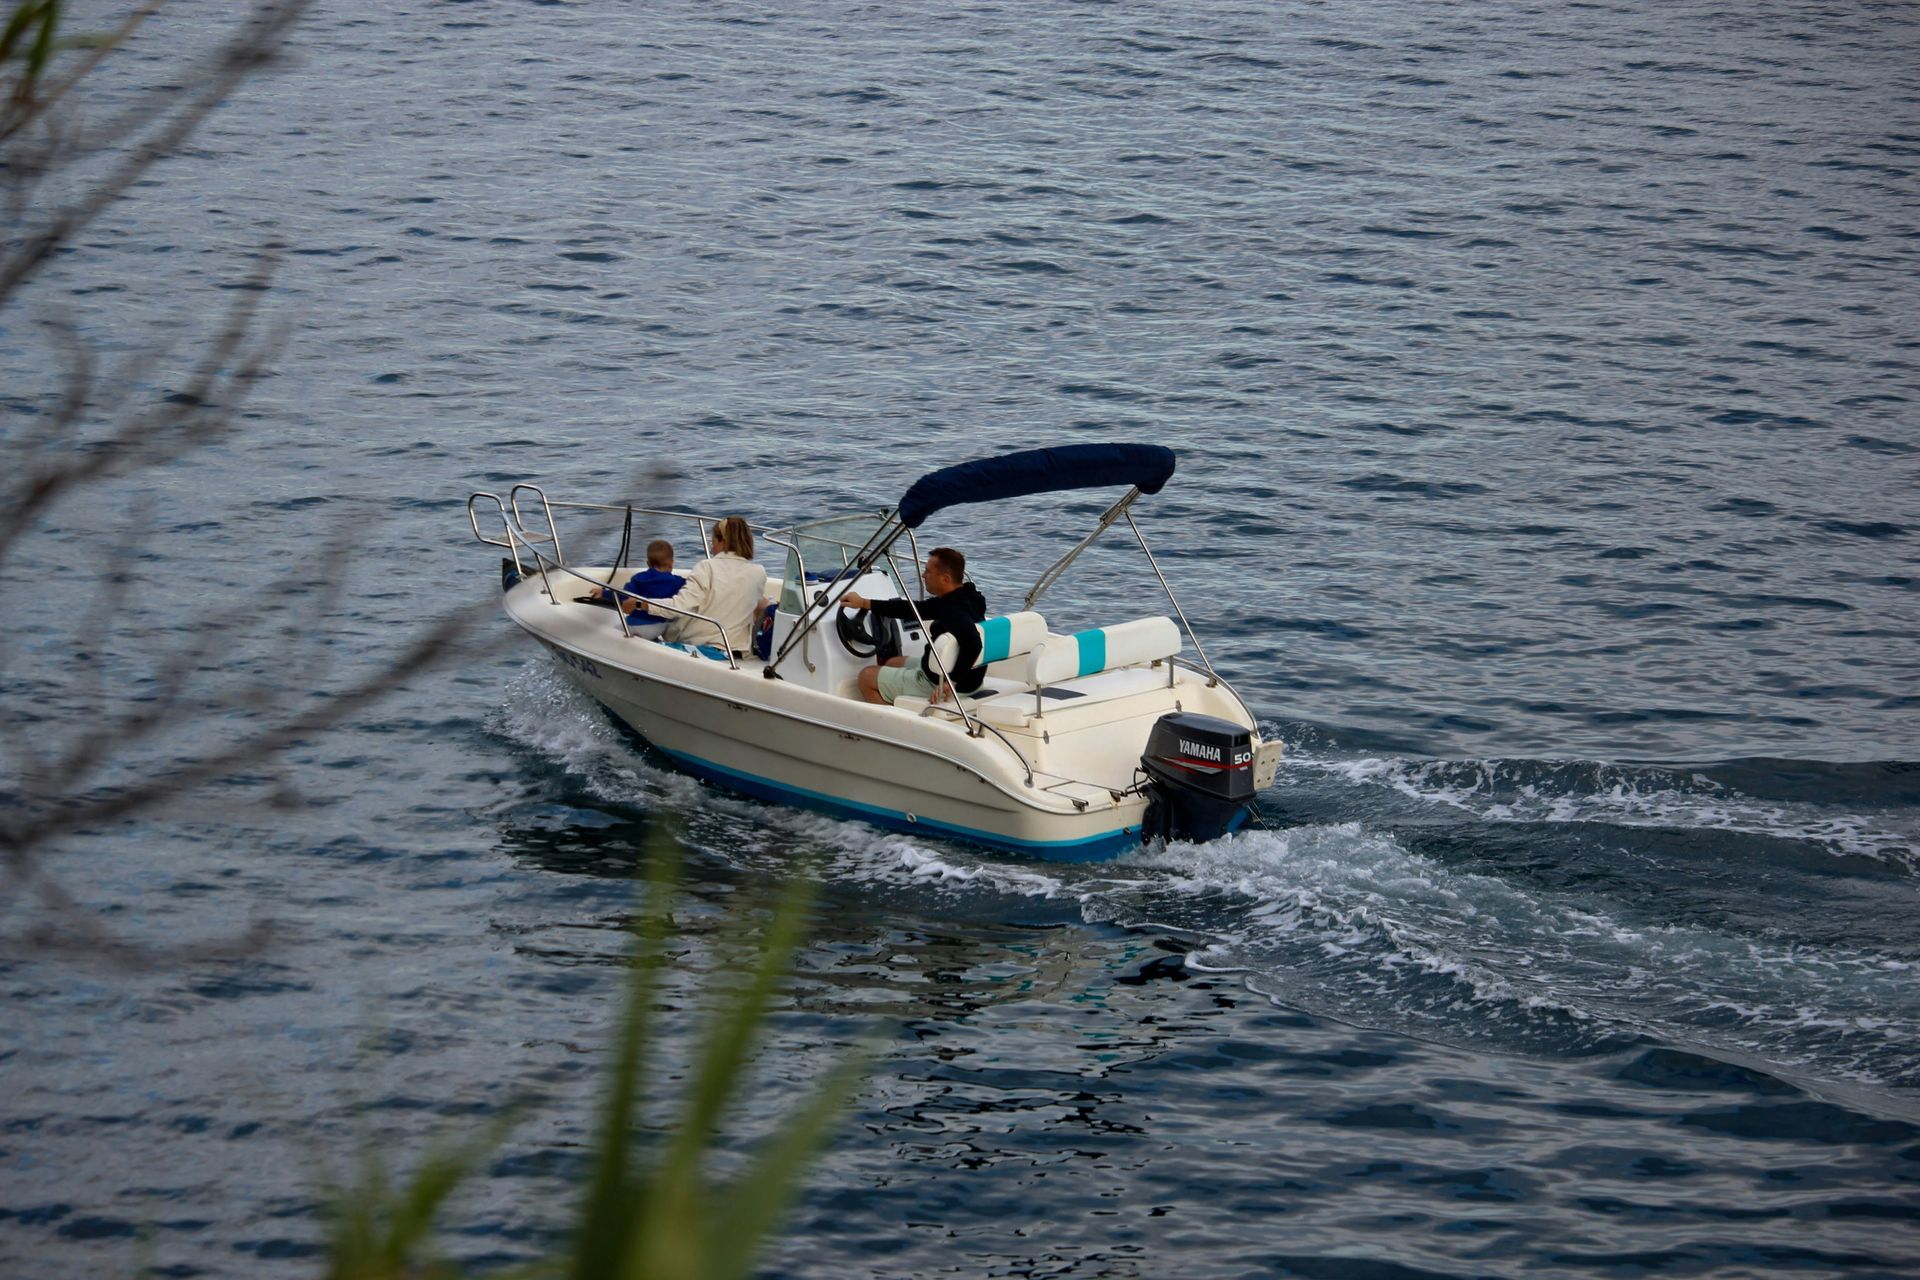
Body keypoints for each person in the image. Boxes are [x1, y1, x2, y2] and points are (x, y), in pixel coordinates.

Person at [841, 547, 986, 705]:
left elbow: (974, 644)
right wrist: (864, 603)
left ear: (945, 579)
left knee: (866, 677)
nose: (923, 575)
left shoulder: (953, 610)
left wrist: (951, 681)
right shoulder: (968, 597)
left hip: (945, 682)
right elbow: (914, 609)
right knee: (892, 662)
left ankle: (894, 724)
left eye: (928, 571)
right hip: (971, 679)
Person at [635, 516, 768, 656]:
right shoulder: (758, 572)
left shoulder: (706, 567)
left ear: (723, 542)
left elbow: (679, 607)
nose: (711, 548)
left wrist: (641, 604)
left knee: (637, 640)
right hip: (737, 652)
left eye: (713, 541)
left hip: (704, 649)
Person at [600, 539, 685, 628]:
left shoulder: (639, 578)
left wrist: (604, 593)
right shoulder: (678, 582)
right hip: (659, 628)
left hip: (635, 625)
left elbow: (624, 596)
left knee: (615, 631)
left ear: (648, 563)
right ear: (671, 563)